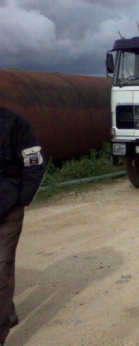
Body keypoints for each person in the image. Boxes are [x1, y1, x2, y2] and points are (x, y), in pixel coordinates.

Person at [0, 106, 46, 346]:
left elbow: (35, 162)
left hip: (7, 210)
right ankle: (9, 310)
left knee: (2, 267)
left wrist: (21, 199)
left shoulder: (15, 124)